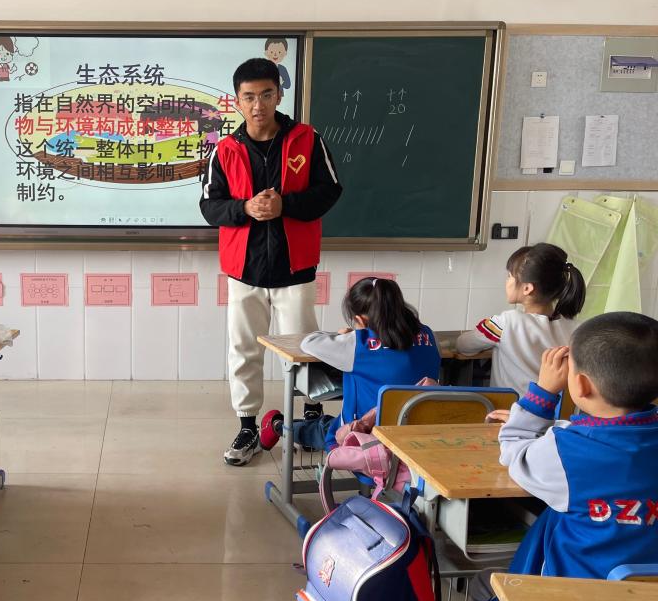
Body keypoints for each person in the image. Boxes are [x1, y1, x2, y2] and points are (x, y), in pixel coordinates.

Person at [473, 312, 658, 601]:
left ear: (581, 385)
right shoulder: (569, 444)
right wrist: (559, 429)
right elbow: (616, 438)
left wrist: (542, 396)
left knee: (484, 585)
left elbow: (513, 451)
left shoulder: (565, 452)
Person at [200, 57, 342, 466]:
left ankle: (312, 418)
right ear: (237, 101)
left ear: (279, 95)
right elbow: (209, 206)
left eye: (266, 94)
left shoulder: (307, 139)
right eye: (249, 97)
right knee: (243, 349)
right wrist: (245, 208)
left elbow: (330, 190)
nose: (258, 104)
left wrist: (286, 206)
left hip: (294, 268)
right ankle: (248, 425)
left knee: (305, 347)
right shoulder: (225, 150)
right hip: (244, 270)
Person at [262, 278, 440, 454]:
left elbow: (308, 343)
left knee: (325, 430)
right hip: (418, 436)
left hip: (366, 438)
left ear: (360, 320)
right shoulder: (429, 335)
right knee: (331, 423)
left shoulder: (357, 343)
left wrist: (343, 335)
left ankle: (277, 425)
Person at [457, 243, 585, 394]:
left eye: (509, 276)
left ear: (527, 288)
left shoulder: (504, 323)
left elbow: (463, 345)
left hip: (514, 408)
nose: (507, 282)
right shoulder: (578, 329)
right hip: (556, 408)